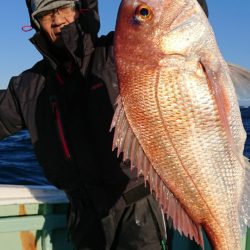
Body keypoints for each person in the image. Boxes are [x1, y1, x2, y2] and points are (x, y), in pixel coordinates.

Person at [0, 0, 210, 249]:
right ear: (35, 23)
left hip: (139, 212)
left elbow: (176, 16)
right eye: (46, 14)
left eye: (64, 7)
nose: (57, 20)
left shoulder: (122, 51)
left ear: (81, 9)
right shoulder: (27, 87)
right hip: (84, 220)